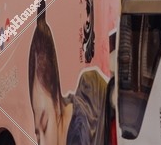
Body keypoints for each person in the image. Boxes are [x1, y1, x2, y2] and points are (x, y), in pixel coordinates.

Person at [28, 8, 108, 145]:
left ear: (58, 103)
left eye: (45, 126)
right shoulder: (84, 96)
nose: (42, 144)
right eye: (38, 136)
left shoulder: (85, 131)